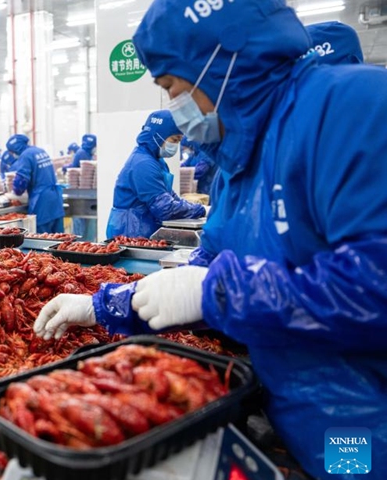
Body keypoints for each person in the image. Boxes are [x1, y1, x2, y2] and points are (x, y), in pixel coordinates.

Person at [34, 1, 387, 478]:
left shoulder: (353, 107)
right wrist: (104, 306)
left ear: (218, 63)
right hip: (286, 411)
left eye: (172, 87)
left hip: (361, 429)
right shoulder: (238, 161)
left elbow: (373, 287)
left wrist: (214, 291)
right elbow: (208, 266)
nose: (176, 109)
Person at [106, 111, 205, 239]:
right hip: (130, 232)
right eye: (174, 140)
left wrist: (197, 208)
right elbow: (165, 208)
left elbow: (171, 197)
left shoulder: (157, 161)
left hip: (142, 230)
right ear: (158, 135)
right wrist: (201, 210)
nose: (176, 146)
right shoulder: (143, 164)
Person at [5, 134, 64, 233]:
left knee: (42, 241)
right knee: (59, 241)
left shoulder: (26, 155)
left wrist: (14, 193)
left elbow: (20, 182)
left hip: (42, 202)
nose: (12, 155)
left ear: (16, 148)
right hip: (55, 199)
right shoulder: (40, 151)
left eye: (11, 152)